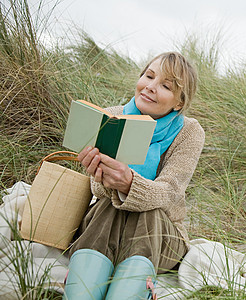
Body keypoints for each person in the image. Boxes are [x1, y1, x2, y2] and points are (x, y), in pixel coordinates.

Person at [63, 52, 205, 300]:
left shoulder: (190, 132)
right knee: (109, 204)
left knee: (150, 209)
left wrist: (129, 183)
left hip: (162, 234)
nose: (150, 87)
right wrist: (98, 173)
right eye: (149, 76)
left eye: (165, 85)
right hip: (106, 225)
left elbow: (170, 191)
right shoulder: (112, 116)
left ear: (179, 102)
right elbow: (97, 191)